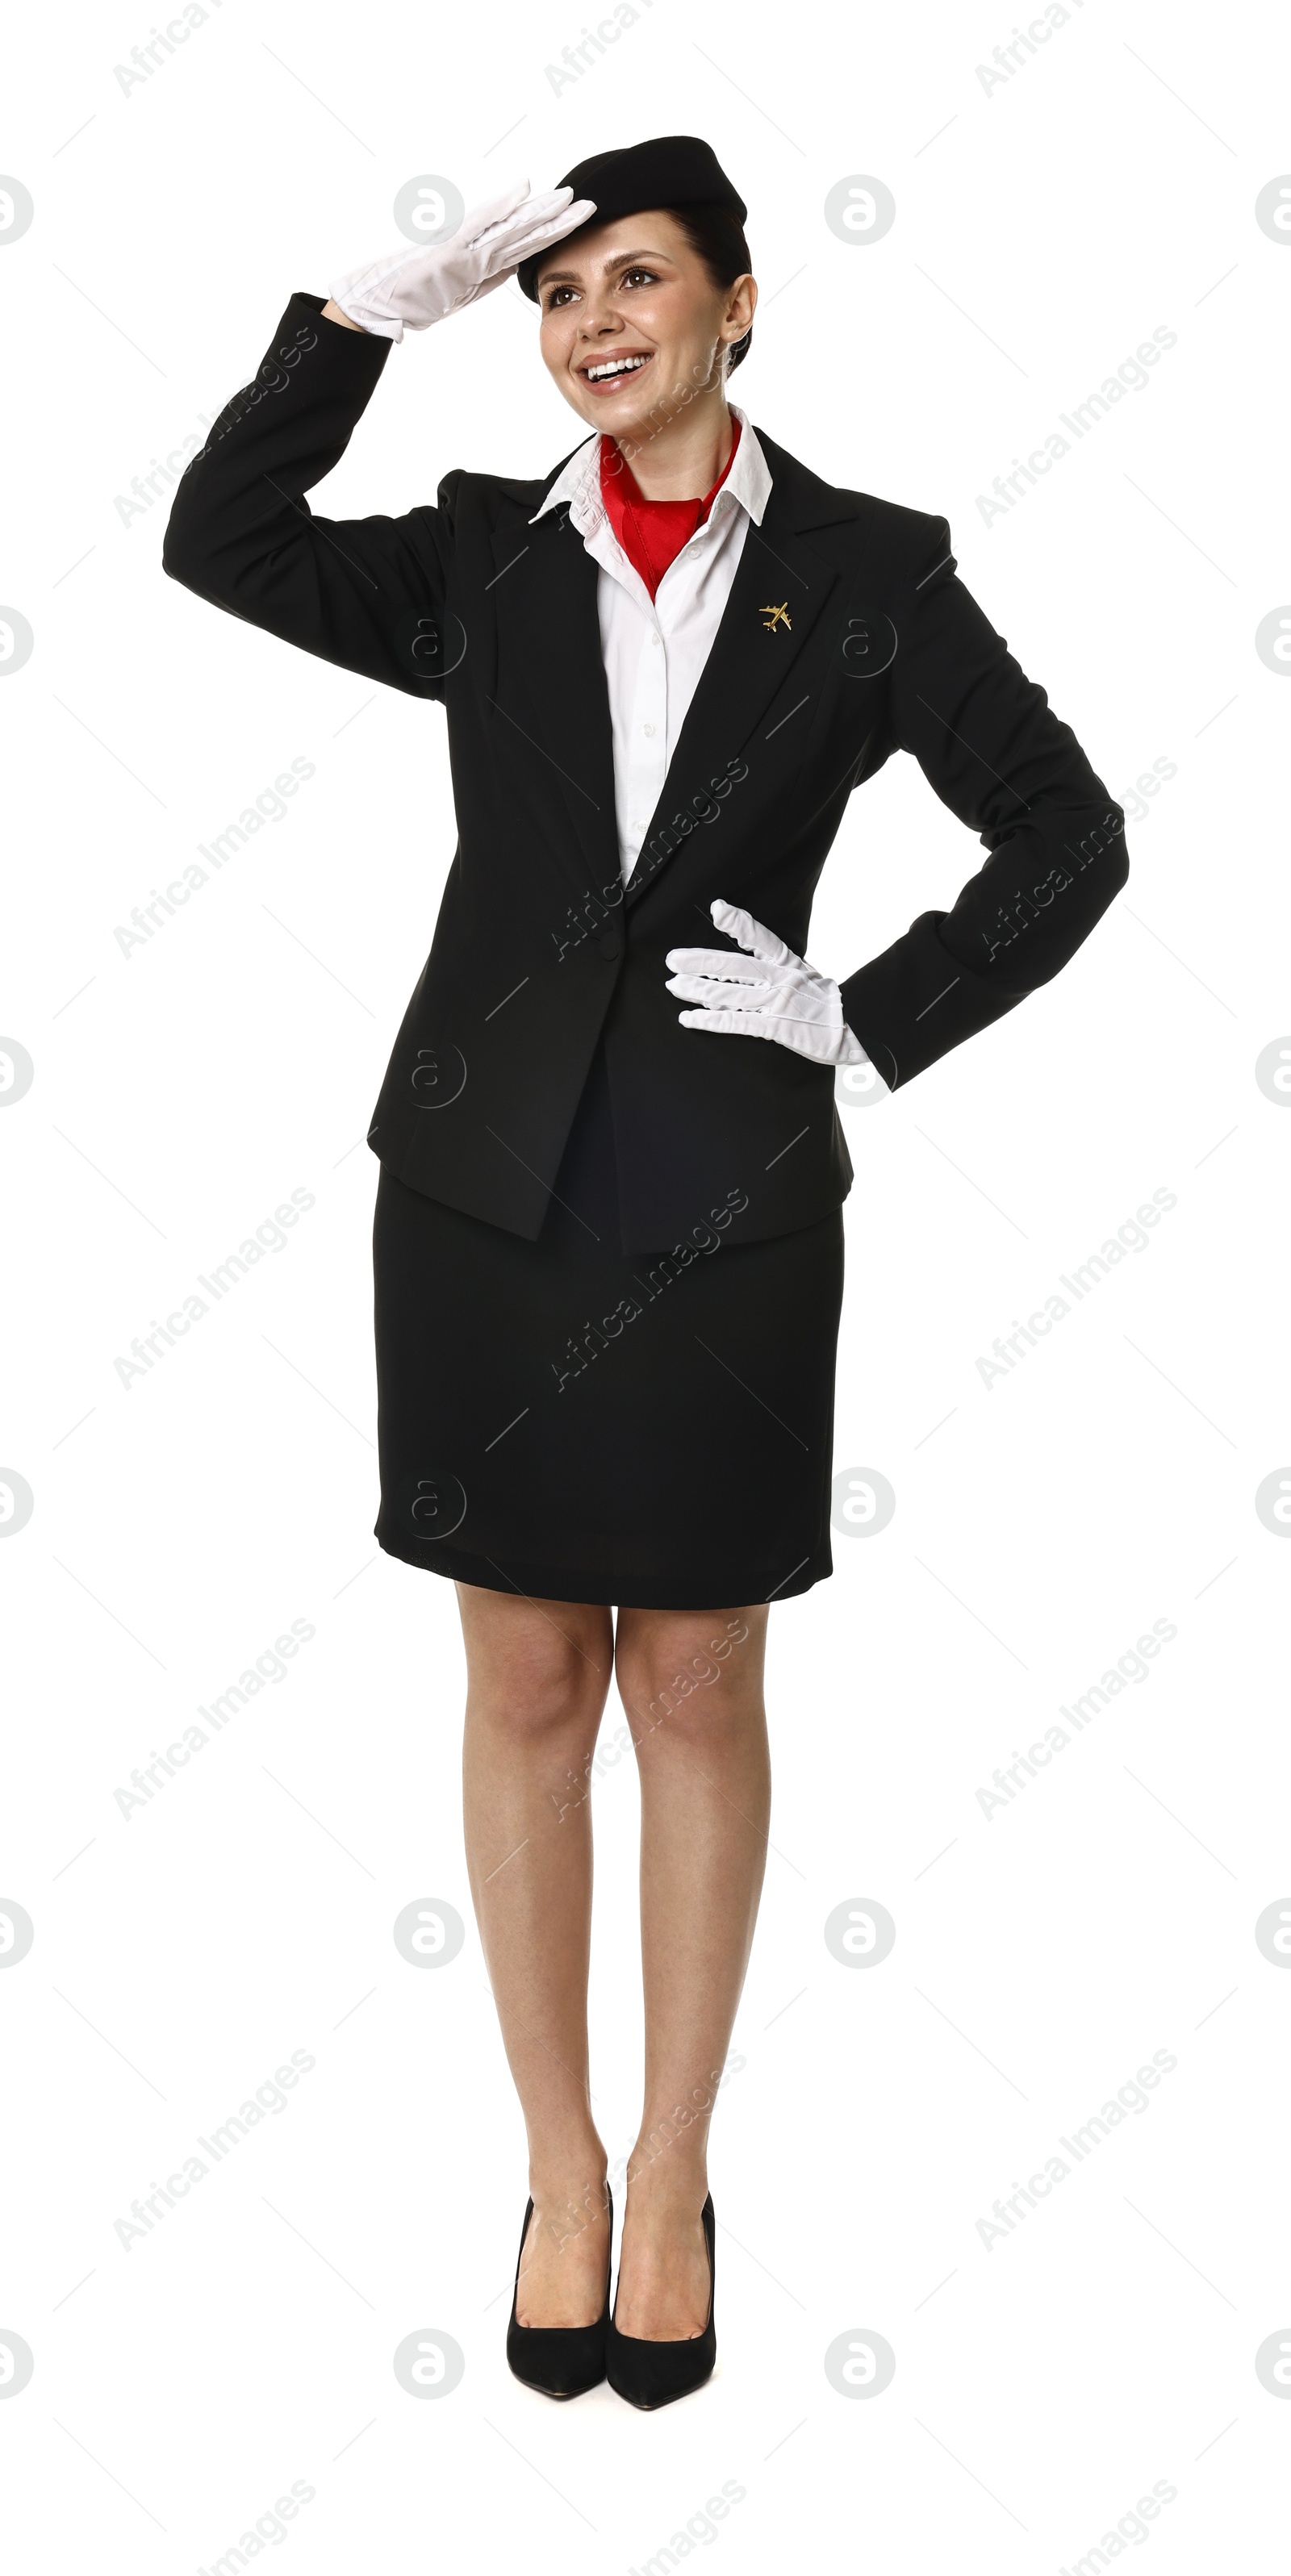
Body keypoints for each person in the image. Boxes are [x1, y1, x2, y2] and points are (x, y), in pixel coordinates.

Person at [162, 135, 1128, 2410]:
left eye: (639, 280)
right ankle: (557, 2167)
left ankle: (679, 2170)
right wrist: (351, 327)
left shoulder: (878, 573)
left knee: (694, 1682)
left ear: (740, 305)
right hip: (485, 1194)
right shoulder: (488, 555)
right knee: (520, 1685)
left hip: (722, 1201)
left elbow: (1070, 833)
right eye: (557, 291)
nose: (593, 323)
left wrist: (871, 1012)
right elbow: (219, 544)